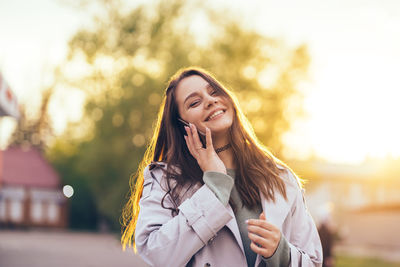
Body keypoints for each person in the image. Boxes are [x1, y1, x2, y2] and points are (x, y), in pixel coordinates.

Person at [121, 67, 323, 267]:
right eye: (194, 102)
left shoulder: (280, 177)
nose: (210, 101)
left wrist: (281, 252)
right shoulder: (165, 179)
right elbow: (155, 254)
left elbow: (314, 262)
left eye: (214, 91)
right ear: (182, 123)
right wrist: (215, 188)